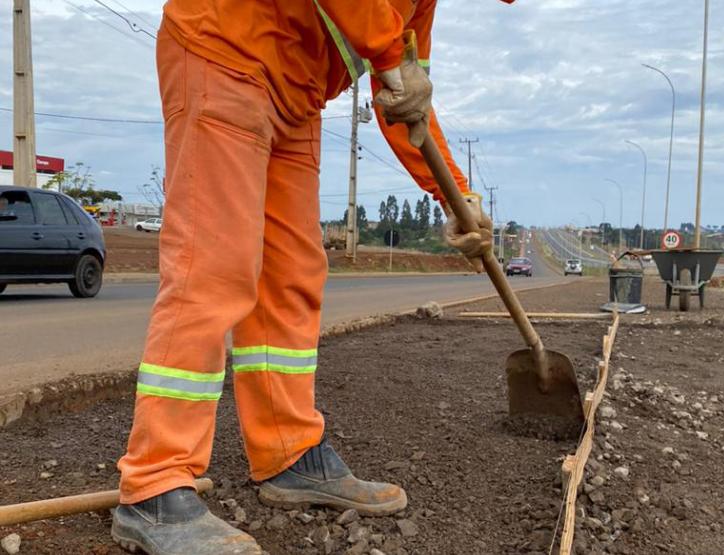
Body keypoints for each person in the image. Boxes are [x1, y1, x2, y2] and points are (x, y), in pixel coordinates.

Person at [112, 1, 514, 553]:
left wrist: (454, 195)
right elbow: (389, 56)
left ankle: (289, 453)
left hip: (297, 94)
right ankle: (154, 487)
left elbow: (401, 99)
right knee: (215, 267)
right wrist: (394, 58)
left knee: (293, 275)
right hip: (226, 46)